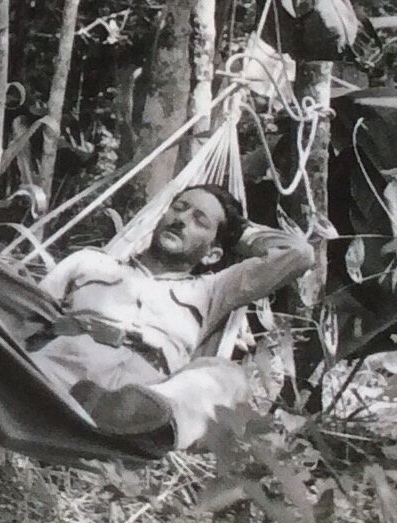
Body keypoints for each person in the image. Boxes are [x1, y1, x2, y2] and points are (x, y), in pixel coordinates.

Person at [26, 184, 312, 449]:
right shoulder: (90, 262)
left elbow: (298, 254)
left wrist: (241, 232)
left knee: (228, 376)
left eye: (200, 221)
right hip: (63, 368)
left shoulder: (211, 291)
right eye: (179, 207)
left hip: (146, 391)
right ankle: (113, 419)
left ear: (212, 255)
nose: (182, 219)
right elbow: (27, 313)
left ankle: (141, 422)